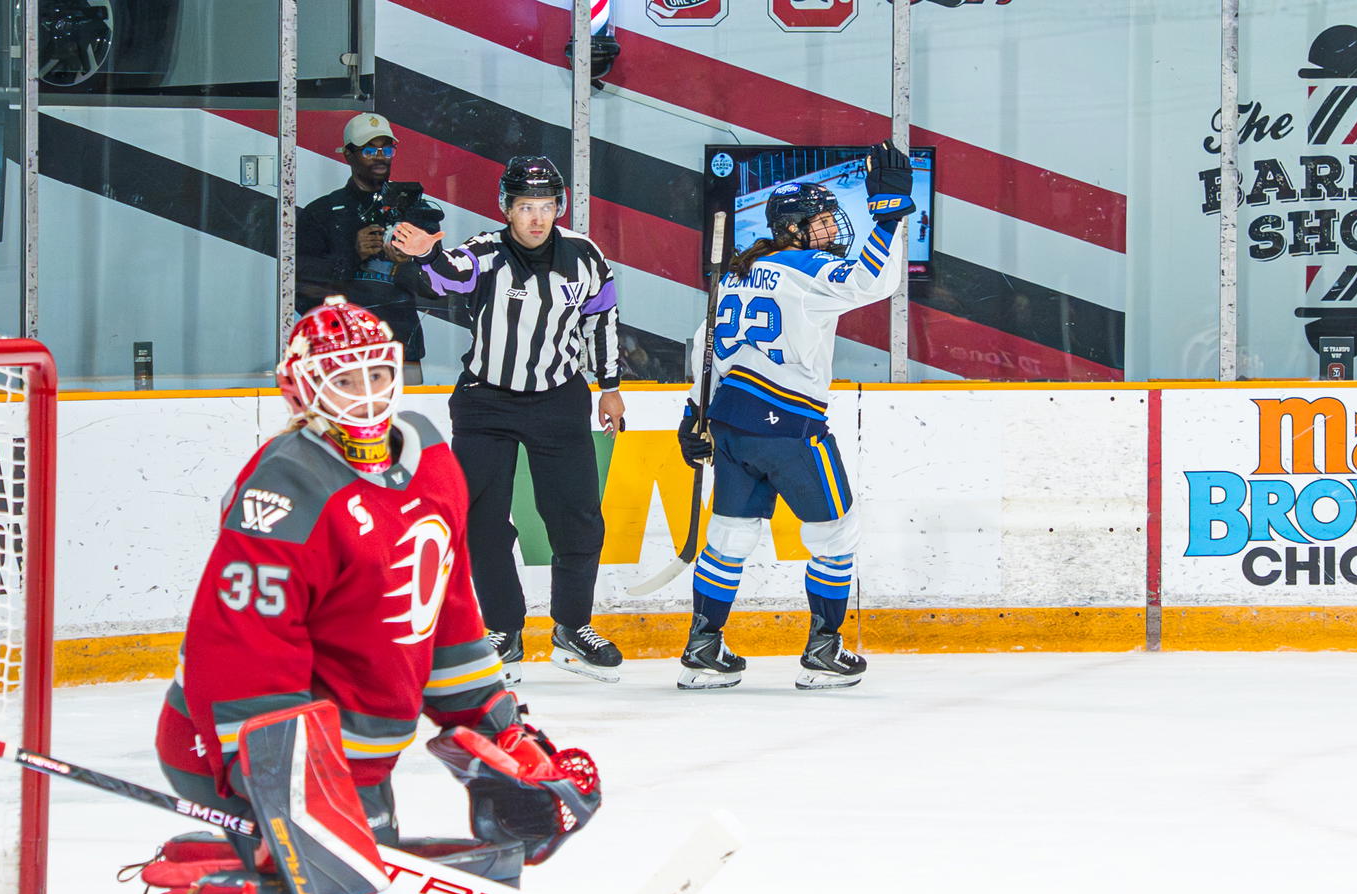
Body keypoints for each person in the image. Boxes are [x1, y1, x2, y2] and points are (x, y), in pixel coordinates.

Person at [92, 297, 600, 894]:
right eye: (343, 380)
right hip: (241, 742)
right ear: (302, 390)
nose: (365, 395)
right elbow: (239, 649)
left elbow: (448, 608)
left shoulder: (430, 457)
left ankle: (212, 883)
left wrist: (502, 731)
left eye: (374, 374)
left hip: (357, 761)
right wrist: (274, 777)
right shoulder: (286, 487)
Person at [675, 141, 915, 692]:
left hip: (732, 426)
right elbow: (873, 281)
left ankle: (703, 647)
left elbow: (704, 347)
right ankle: (824, 649)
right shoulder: (806, 269)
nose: (832, 230)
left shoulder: (738, 272)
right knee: (836, 532)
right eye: (824, 221)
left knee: (729, 537)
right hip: (790, 428)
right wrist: (888, 212)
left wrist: (694, 415)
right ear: (794, 228)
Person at [390, 156, 626, 684]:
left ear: (559, 208)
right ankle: (503, 628)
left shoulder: (586, 257)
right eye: (525, 208)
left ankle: (572, 627)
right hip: (486, 401)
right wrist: (428, 253)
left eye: (545, 207)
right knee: (482, 517)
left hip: (559, 397)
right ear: (507, 209)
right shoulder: (485, 251)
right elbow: (448, 276)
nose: (537, 219)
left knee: (577, 517)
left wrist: (609, 389)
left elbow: (602, 318)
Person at [296, 113, 444, 384]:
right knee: (342, 425)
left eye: (386, 149)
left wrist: (408, 261)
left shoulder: (416, 212)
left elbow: (436, 289)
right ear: (348, 155)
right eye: (369, 149)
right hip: (339, 352)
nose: (380, 156)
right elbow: (299, 290)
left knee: (406, 424)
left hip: (401, 348)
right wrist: (352, 254)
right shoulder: (322, 213)